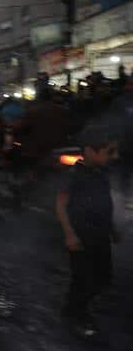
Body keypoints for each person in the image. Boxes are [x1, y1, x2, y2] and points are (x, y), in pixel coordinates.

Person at [55, 127, 120, 336]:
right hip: (81, 236)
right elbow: (61, 204)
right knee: (83, 279)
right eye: (109, 152)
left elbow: (105, 202)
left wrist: (112, 228)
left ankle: (74, 309)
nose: (114, 156)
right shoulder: (75, 174)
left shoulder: (101, 173)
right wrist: (69, 234)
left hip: (100, 235)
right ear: (91, 151)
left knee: (103, 277)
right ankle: (76, 314)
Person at [110, 76, 133, 208]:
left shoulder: (120, 102)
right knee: (124, 171)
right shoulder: (120, 102)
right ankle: (126, 198)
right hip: (125, 144)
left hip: (125, 143)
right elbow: (113, 122)